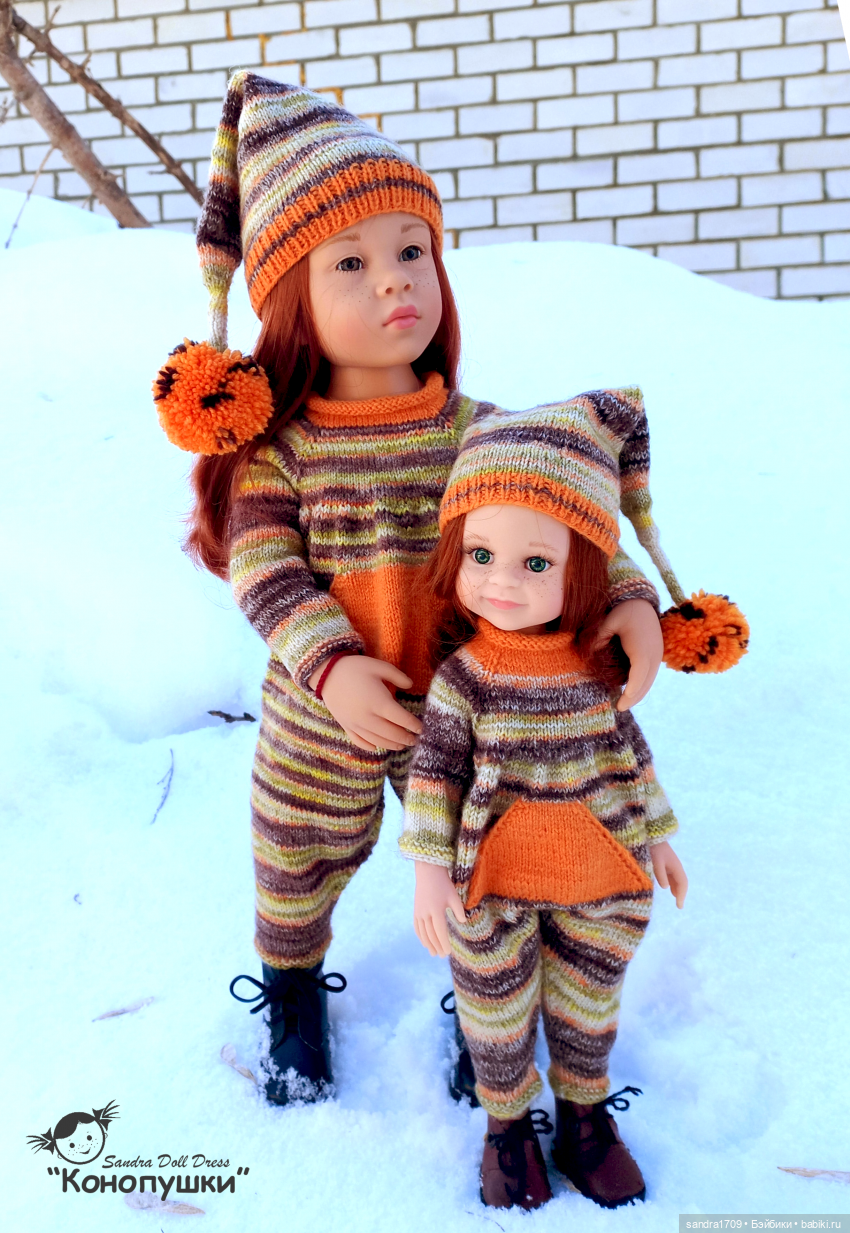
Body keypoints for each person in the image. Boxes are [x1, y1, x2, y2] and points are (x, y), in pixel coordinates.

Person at [153, 71, 667, 1106]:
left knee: (479, 853)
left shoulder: (479, 432)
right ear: (290, 298)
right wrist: (331, 668)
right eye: (351, 262)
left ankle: (484, 996)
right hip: (324, 711)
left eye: (412, 251)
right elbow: (266, 569)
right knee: (296, 853)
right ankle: (292, 988)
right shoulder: (280, 451)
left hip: (468, 706)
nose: (395, 282)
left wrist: (626, 596)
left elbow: (559, 516)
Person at [401, 389, 748, 1211]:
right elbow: (434, 774)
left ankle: (584, 1116)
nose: (501, 581)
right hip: (491, 881)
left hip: (601, 872)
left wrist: (658, 838)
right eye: (480, 554)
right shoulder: (465, 679)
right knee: (493, 1005)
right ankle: (507, 1127)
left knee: (588, 999)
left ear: (586, 568)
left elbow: (628, 755)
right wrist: (427, 870)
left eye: (536, 564)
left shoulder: (599, 665)